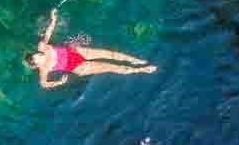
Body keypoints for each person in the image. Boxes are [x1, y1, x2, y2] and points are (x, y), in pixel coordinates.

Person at [25, 7, 155, 89]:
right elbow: (43, 84)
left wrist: (53, 19)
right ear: (36, 64)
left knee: (110, 54)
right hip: (79, 67)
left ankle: (135, 60)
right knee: (112, 67)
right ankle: (142, 69)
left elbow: (48, 33)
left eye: (36, 54)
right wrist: (59, 82)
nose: (38, 54)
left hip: (77, 51)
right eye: (37, 58)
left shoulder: (43, 47)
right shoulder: (44, 69)